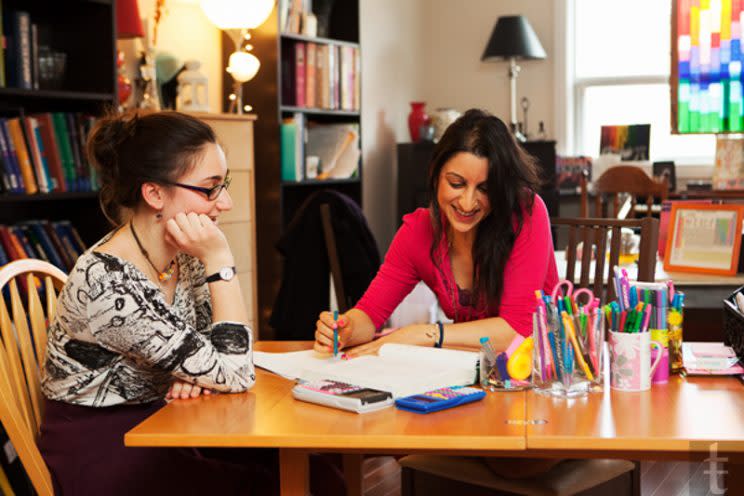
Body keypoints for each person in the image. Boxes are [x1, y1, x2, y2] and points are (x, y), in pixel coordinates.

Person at [39, 110, 275, 495]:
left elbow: (221, 353)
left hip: (166, 421)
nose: (226, 202)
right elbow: (235, 373)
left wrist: (196, 374)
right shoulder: (108, 284)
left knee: (307, 465)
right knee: (269, 484)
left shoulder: (182, 254)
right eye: (210, 187)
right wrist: (220, 261)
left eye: (224, 183)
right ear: (154, 194)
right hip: (104, 446)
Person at [314, 108, 558, 357]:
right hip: (470, 368)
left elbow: (518, 329)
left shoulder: (526, 213)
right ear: (435, 175)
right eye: (456, 183)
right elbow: (370, 312)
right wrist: (346, 328)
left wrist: (426, 334)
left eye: (485, 189)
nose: (467, 202)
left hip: (536, 374)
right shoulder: (418, 231)